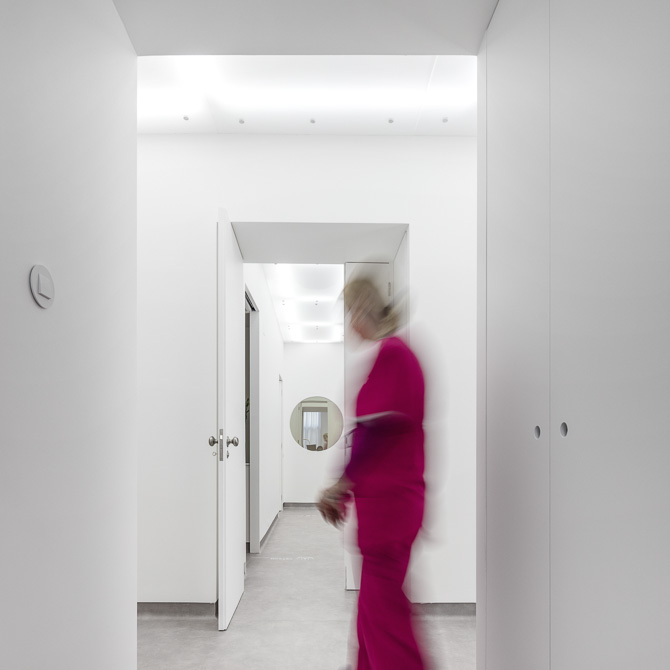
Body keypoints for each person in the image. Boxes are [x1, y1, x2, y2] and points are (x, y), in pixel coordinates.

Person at [317, 277, 426, 670]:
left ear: (363, 310)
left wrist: (338, 488)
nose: (349, 324)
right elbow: (373, 436)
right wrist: (344, 491)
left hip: (390, 512)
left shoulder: (393, 356)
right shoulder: (393, 355)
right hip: (386, 510)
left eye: (350, 312)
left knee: (385, 620)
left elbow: (373, 434)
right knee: (371, 611)